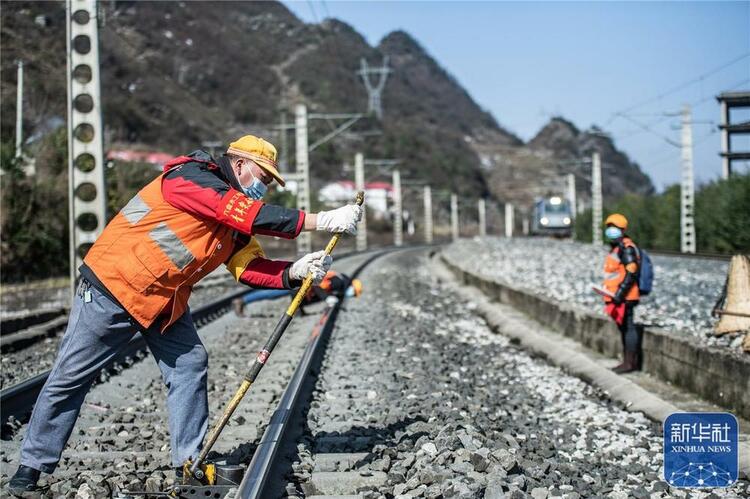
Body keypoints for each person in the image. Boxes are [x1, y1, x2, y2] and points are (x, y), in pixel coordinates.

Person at [8, 135, 362, 495]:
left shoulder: (232, 211)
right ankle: (30, 468)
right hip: (113, 287)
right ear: (238, 164)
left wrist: (295, 271)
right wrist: (323, 220)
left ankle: (188, 463)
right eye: (263, 175)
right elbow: (246, 215)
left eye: (269, 181)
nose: (264, 185)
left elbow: (247, 266)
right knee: (71, 375)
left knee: (190, 362)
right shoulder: (191, 178)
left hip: (163, 301)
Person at [601, 213, 641, 374]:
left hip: (625, 297)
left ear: (622, 230)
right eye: (609, 227)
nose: (611, 231)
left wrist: (620, 294)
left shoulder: (627, 248)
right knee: (624, 328)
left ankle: (629, 363)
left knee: (629, 328)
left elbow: (631, 273)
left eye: (615, 228)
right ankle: (627, 361)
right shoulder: (618, 248)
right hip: (618, 296)